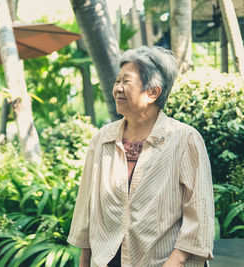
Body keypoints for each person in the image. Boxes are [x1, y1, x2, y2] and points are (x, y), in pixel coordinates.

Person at [67, 46, 214, 267]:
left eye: (126, 81)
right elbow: (87, 206)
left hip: (164, 262)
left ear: (153, 92)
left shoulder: (185, 139)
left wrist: (175, 262)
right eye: (117, 81)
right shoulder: (102, 139)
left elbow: (199, 212)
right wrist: (84, 261)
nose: (117, 88)